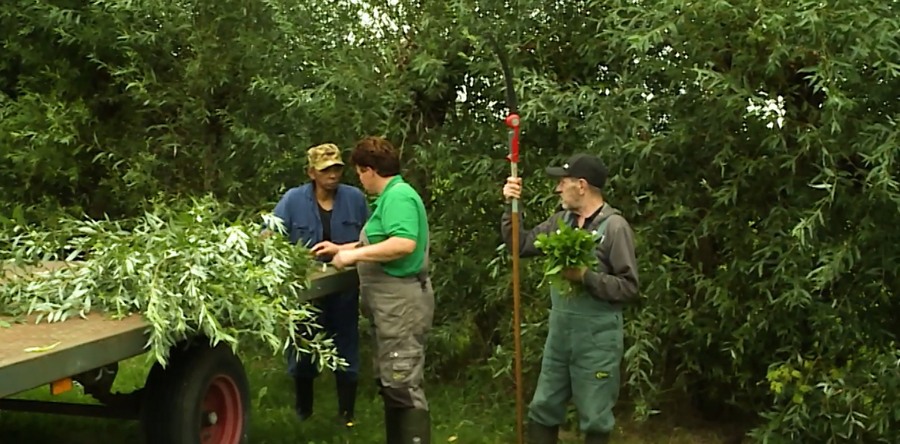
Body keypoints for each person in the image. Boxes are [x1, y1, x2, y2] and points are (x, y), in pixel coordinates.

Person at [500, 153, 639, 444]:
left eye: (563, 182)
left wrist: (586, 276)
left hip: (597, 340)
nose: (558, 189)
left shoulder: (614, 228)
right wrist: (511, 204)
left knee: (595, 416)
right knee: (543, 406)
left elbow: (628, 287)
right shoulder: (560, 223)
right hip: (560, 336)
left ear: (582, 185)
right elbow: (520, 246)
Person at [311, 136, 434, 444]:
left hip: (401, 306)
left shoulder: (399, 198)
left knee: (403, 384)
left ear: (369, 170)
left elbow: (403, 243)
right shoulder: (390, 197)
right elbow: (380, 240)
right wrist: (341, 248)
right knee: (392, 383)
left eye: (359, 173)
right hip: (389, 310)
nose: (360, 181)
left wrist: (352, 257)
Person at [265, 143, 370, 427]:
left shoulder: (355, 199)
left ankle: (346, 417)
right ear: (311, 172)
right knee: (303, 348)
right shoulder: (292, 200)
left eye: (336, 168)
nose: (332, 175)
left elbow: (372, 238)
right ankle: (304, 413)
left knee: (345, 347)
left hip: (344, 289)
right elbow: (268, 235)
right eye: (325, 170)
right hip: (306, 292)